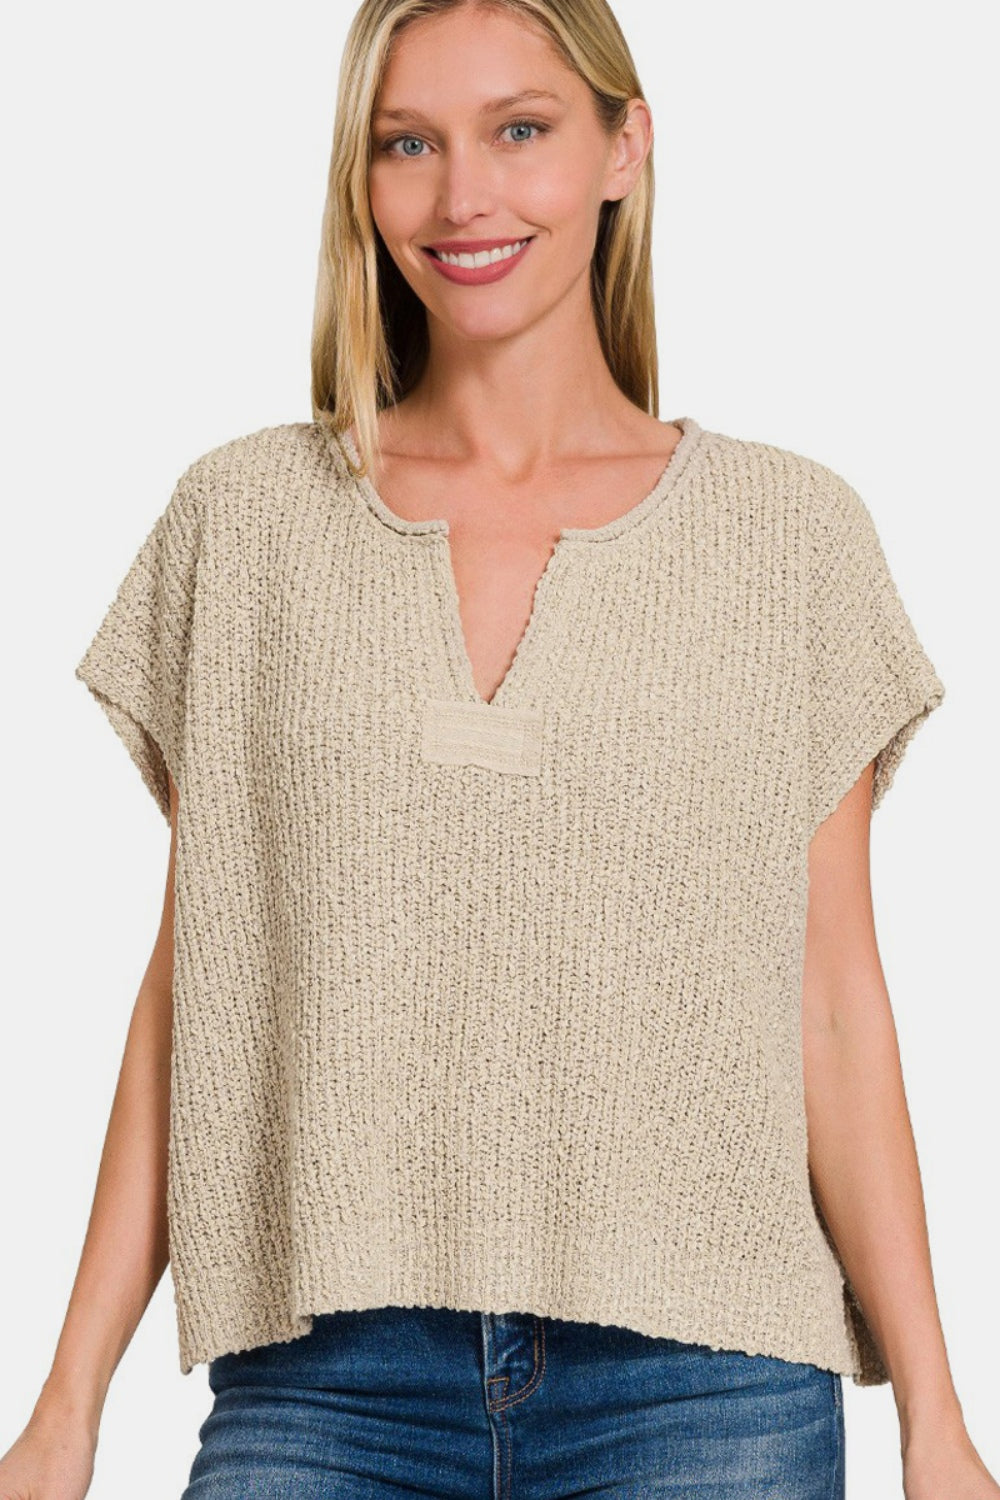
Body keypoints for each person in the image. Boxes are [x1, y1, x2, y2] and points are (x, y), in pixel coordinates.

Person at [2, 1, 996, 1497]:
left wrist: (937, 1417)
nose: (463, 195)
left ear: (624, 147)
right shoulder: (246, 523)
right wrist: (66, 1402)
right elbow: (195, 983)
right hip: (326, 1385)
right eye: (408, 144)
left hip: (704, 1387)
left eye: (519, 130)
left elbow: (835, 1004)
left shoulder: (789, 538)